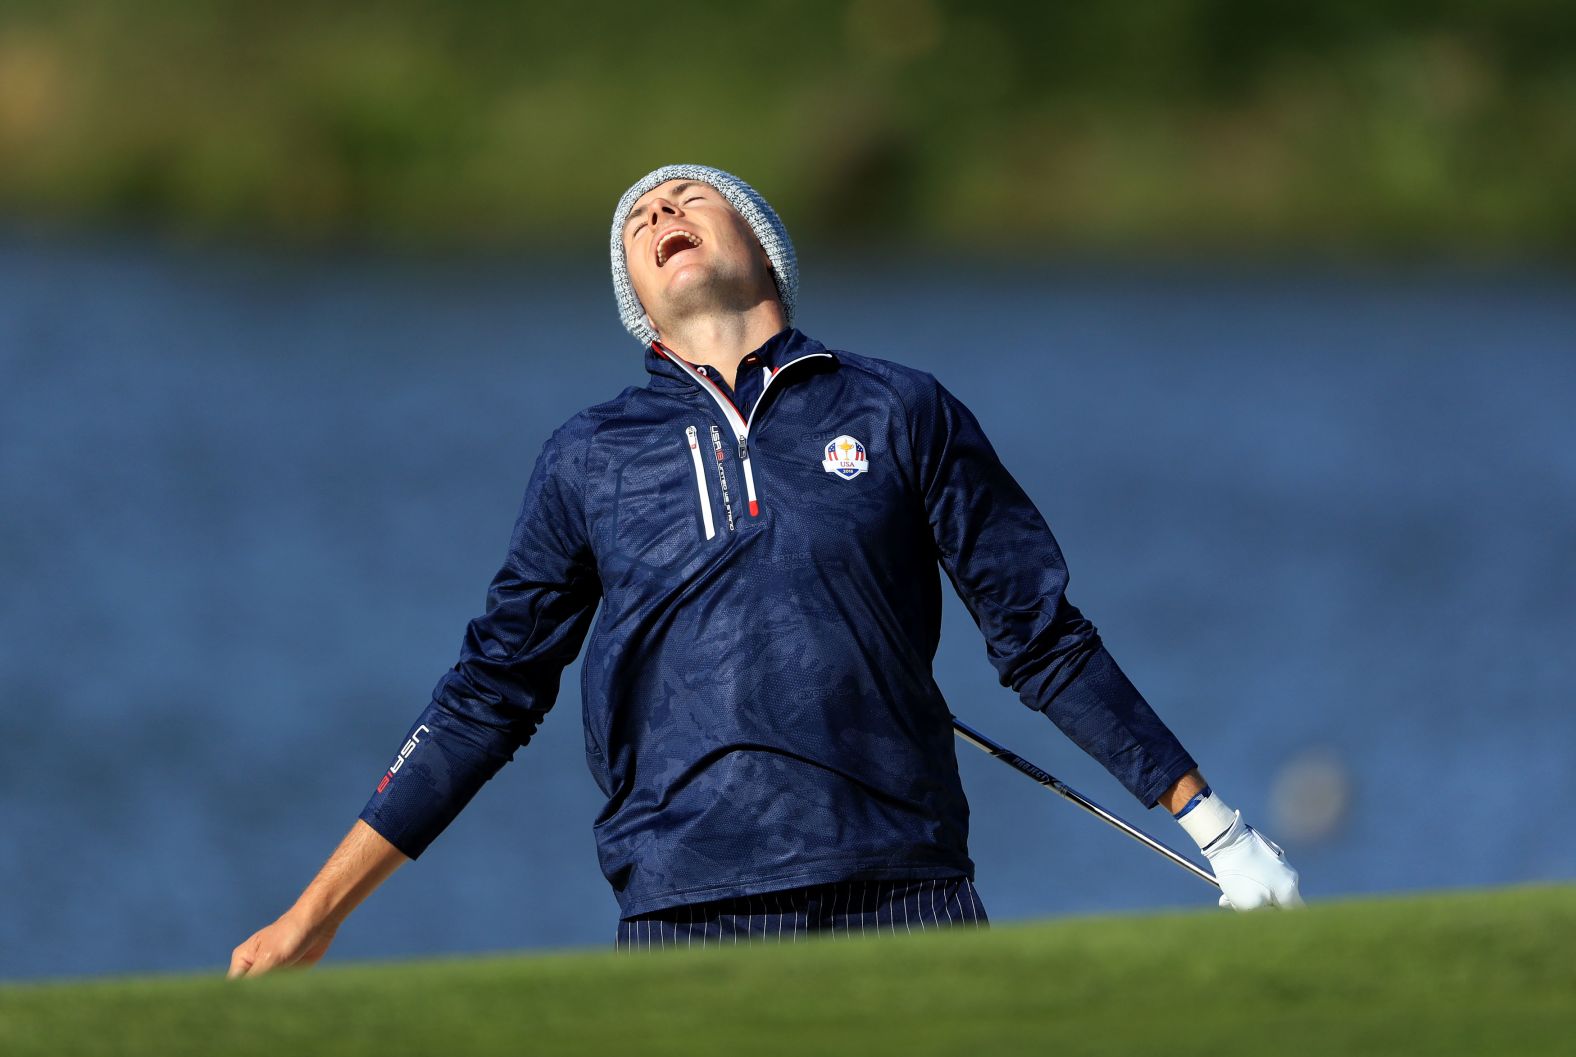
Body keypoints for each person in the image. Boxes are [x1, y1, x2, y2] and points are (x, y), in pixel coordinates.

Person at [227, 163, 1301, 976]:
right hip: (685, 906)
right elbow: (486, 698)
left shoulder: (898, 408)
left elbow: (1042, 636)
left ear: (764, 243)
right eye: (636, 225)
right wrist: (313, 914)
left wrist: (1220, 831)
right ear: (637, 308)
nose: (658, 217)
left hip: (907, 887)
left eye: (687, 198)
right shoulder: (589, 455)